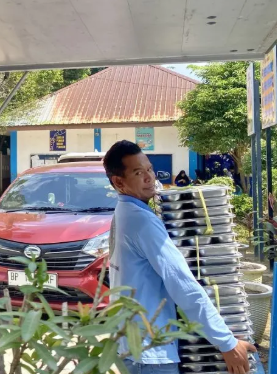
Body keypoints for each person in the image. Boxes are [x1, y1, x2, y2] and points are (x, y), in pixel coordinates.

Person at [104, 141, 256, 374]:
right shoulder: (141, 221)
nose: (149, 177)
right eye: (138, 173)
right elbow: (182, 284)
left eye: (149, 169)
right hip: (150, 355)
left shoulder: (124, 211)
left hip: (133, 346)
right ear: (119, 182)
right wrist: (227, 343)